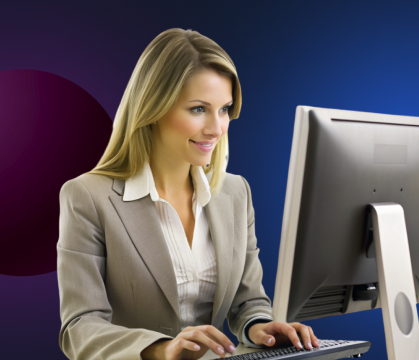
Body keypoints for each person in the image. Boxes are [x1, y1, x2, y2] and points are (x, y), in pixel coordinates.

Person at [57, 28, 319, 360]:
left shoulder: (235, 193)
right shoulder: (87, 198)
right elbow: (80, 327)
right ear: (153, 108)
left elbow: (247, 301)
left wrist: (260, 326)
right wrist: (161, 350)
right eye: (198, 109)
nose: (216, 127)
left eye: (224, 109)